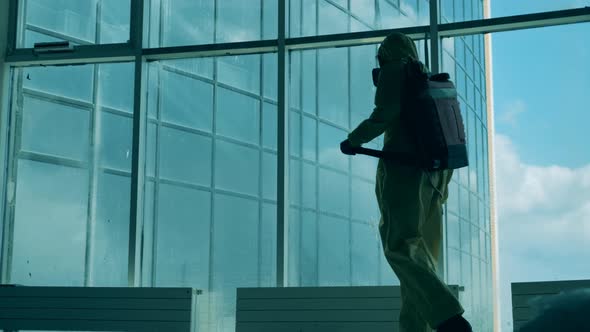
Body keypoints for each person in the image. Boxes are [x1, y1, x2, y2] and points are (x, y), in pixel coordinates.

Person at [340, 32, 473, 332]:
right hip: (436, 174)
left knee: (399, 245)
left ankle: (448, 316)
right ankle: (416, 327)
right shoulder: (425, 77)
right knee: (420, 258)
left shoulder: (395, 70)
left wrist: (353, 140)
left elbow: (384, 113)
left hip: (405, 171)